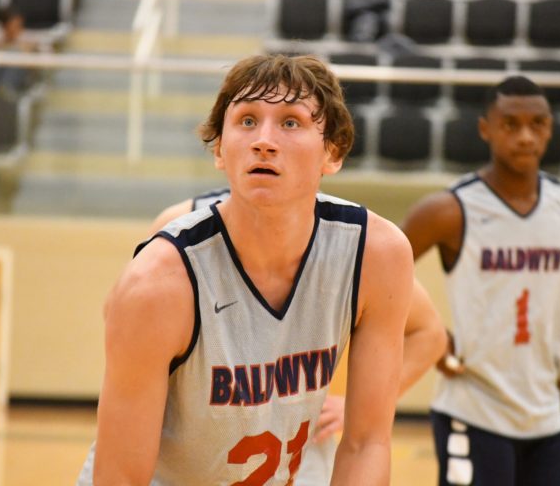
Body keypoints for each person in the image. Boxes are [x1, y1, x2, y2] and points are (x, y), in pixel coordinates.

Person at [78, 53, 421, 485]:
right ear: (220, 150)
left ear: (331, 153)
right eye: (246, 121)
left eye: (291, 122)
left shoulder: (377, 253)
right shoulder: (159, 283)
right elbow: (122, 479)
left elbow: (367, 443)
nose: (264, 140)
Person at [148, 187, 448, 484]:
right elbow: (126, 328)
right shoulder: (180, 226)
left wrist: (352, 406)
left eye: (289, 134)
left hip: (296, 445)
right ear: (221, 148)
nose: (266, 142)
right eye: (248, 134)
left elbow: (429, 333)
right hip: (187, 450)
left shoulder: (350, 241)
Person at [402, 76, 560, 486]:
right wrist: (430, 332)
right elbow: (377, 275)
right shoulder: (450, 209)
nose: (526, 136)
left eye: (537, 123)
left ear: (550, 128)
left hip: (545, 414)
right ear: (486, 129)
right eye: (511, 124)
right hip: (473, 410)